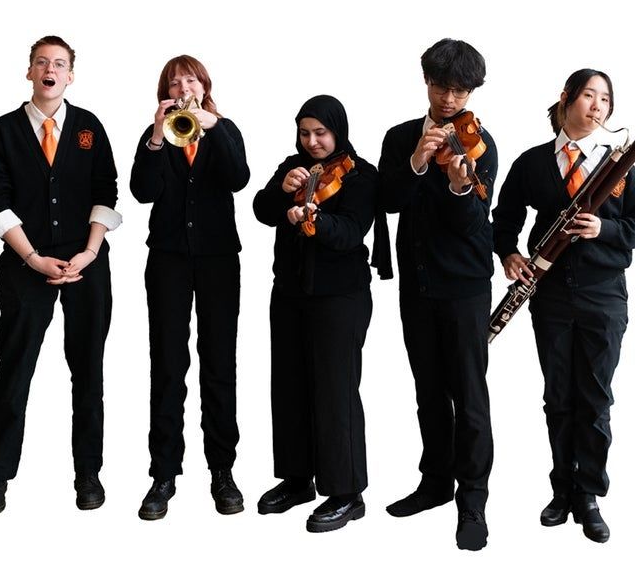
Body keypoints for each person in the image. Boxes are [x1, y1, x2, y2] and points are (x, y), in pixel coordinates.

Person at [492, 69, 635, 543]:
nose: (598, 105)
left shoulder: (619, 164)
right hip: (551, 295)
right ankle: (561, 488)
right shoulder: (533, 162)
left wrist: (604, 229)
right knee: (558, 396)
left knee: (595, 398)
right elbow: (504, 218)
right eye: (589, 95)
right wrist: (509, 255)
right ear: (566, 99)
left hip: (605, 295)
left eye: (605, 99)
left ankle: (589, 494)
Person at [0, 35, 121, 516]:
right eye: (41, 62)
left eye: (59, 63)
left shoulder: (89, 127)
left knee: (89, 371)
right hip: (25, 264)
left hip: (86, 264)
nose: (50, 70)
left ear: (70, 75)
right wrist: (34, 258)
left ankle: (88, 474)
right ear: (29, 71)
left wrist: (90, 251)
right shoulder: (3, 130)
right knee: (15, 370)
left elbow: (106, 190)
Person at [376, 38, 497, 550]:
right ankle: (435, 483)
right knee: (427, 389)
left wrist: (457, 185)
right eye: (441, 87)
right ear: (426, 81)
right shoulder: (400, 137)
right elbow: (386, 201)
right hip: (417, 284)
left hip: (465, 288)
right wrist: (417, 163)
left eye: (460, 91)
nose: (449, 100)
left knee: (468, 396)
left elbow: (472, 225)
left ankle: (473, 501)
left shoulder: (481, 143)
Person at [130, 55, 250, 520]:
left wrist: (213, 127)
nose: (184, 87)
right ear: (166, 92)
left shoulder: (226, 128)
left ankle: (223, 470)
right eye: (175, 82)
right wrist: (157, 136)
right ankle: (163, 473)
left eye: (191, 80)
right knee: (167, 363)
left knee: (219, 364)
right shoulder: (155, 135)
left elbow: (238, 178)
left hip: (218, 259)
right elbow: (142, 191)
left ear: (204, 85)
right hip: (168, 259)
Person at [253, 94, 377, 534]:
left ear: (337, 131)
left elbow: (349, 233)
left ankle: (347, 493)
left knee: (335, 391)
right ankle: (297, 480)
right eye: (305, 133)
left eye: (320, 133)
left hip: (340, 297)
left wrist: (315, 219)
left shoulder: (362, 176)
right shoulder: (293, 167)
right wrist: (281, 191)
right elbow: (262, 210)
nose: (312, 142)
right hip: (289, 292)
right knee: (288, 386)